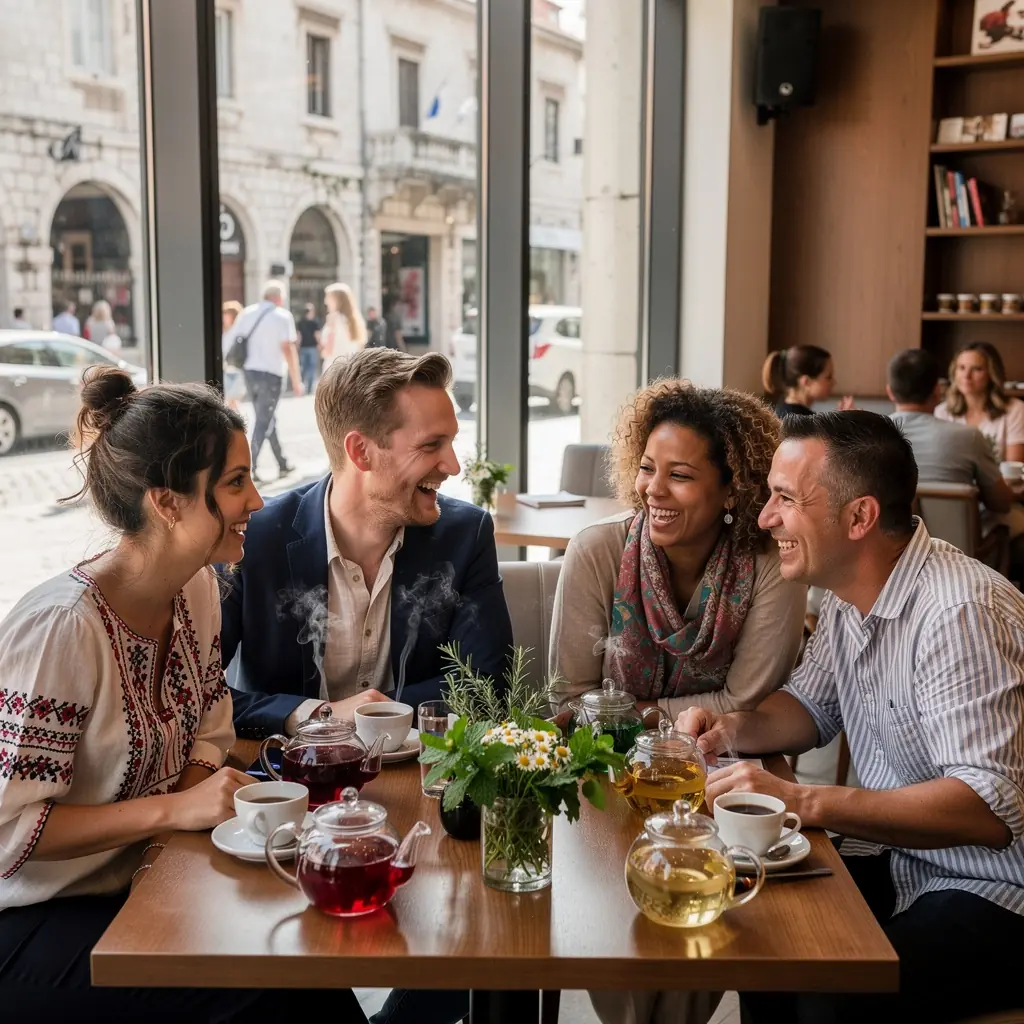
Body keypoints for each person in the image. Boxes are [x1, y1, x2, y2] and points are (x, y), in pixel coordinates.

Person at [0, 366, 366, 1020]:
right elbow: (9, 829)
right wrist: (175, 812)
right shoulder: (61, 630)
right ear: (165, 502)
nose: (256, 500)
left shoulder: (197, 590)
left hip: (147, 880)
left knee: (314, 964)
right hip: (32, 919)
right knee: (270, 992)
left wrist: (194, 795)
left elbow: (211, 730)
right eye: (234, 482)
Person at [677, 411, 1024, 1024]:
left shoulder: (957, 612)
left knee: (824, 999)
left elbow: (986, 809)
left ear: (859, 517)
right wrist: (729, 728)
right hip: (902, 856)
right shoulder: (846, 593)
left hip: (997, 888)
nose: (764, 518)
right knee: (757, 935)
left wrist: (801, 800)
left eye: (785, 499)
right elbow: (810, 707)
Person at [549, 381, 807, 1024]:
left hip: (728, 775)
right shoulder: (598, 551)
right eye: (646, 468)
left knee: (694, 926)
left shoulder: (770, 565)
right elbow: (570, 698)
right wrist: (662, 721)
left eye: (681, 475)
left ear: (733, 490)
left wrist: (629, 711)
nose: (653, 490)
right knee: (612, 925)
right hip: (602, 773)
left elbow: (742, 701)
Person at [221, 347, 513, 738]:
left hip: (418, 773)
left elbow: (486, 685)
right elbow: (201, 697)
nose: (453, 465)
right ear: (361, 451)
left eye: (451, 442)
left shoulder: (466, 534)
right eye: (431, 445)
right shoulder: (254, 538)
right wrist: (318, 714)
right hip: (285, 776)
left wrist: (376, 714)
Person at [227, 280, 303, 483]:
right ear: (278, 297)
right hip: (272, 374)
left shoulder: (248, 313)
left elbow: (233, 339)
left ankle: (282, 463)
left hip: (250, 372)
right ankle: (248, 467)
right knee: (263, 419)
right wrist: (297, 379)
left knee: (266, 416)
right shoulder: (282, 316)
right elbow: (288, 348)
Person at [935, 341, 1024, 463]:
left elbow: (1014, 467)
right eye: (961, 368)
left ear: (991, 374)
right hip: (954, 481)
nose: (967, 375)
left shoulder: (1015, 410)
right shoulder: (942, 412)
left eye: (977, 369)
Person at [761, 344, 854, 417]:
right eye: (828, 377)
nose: (834, 383)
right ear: (806, 382)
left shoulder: (782, 410)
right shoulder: (806, 424)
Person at [321, 282, 366, 368]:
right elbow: (360, 348)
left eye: (328, 298)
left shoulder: (333, 318)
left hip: (333, 367)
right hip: (350, 368)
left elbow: (328, 350)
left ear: (337, 300)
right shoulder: (356, 320)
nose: (325, 301)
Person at [220, 299, 247, 412]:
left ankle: (237, 423)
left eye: (226, 314)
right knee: (229, 400)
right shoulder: (222, 331)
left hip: (238, 368)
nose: (224, 317)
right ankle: (237, 423)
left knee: (232, 399)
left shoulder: (239, 331)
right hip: (226, 369)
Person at [297, 302, 323, 394]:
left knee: (304, 367)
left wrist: (298, 346)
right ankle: (309, 389)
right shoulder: (315, 322)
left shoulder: (300, 322)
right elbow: (317, 335)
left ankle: (302, 386)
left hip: (303, 347)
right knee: (312, 367)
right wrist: (320, 344)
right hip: (312, 347)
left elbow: (299, 336)